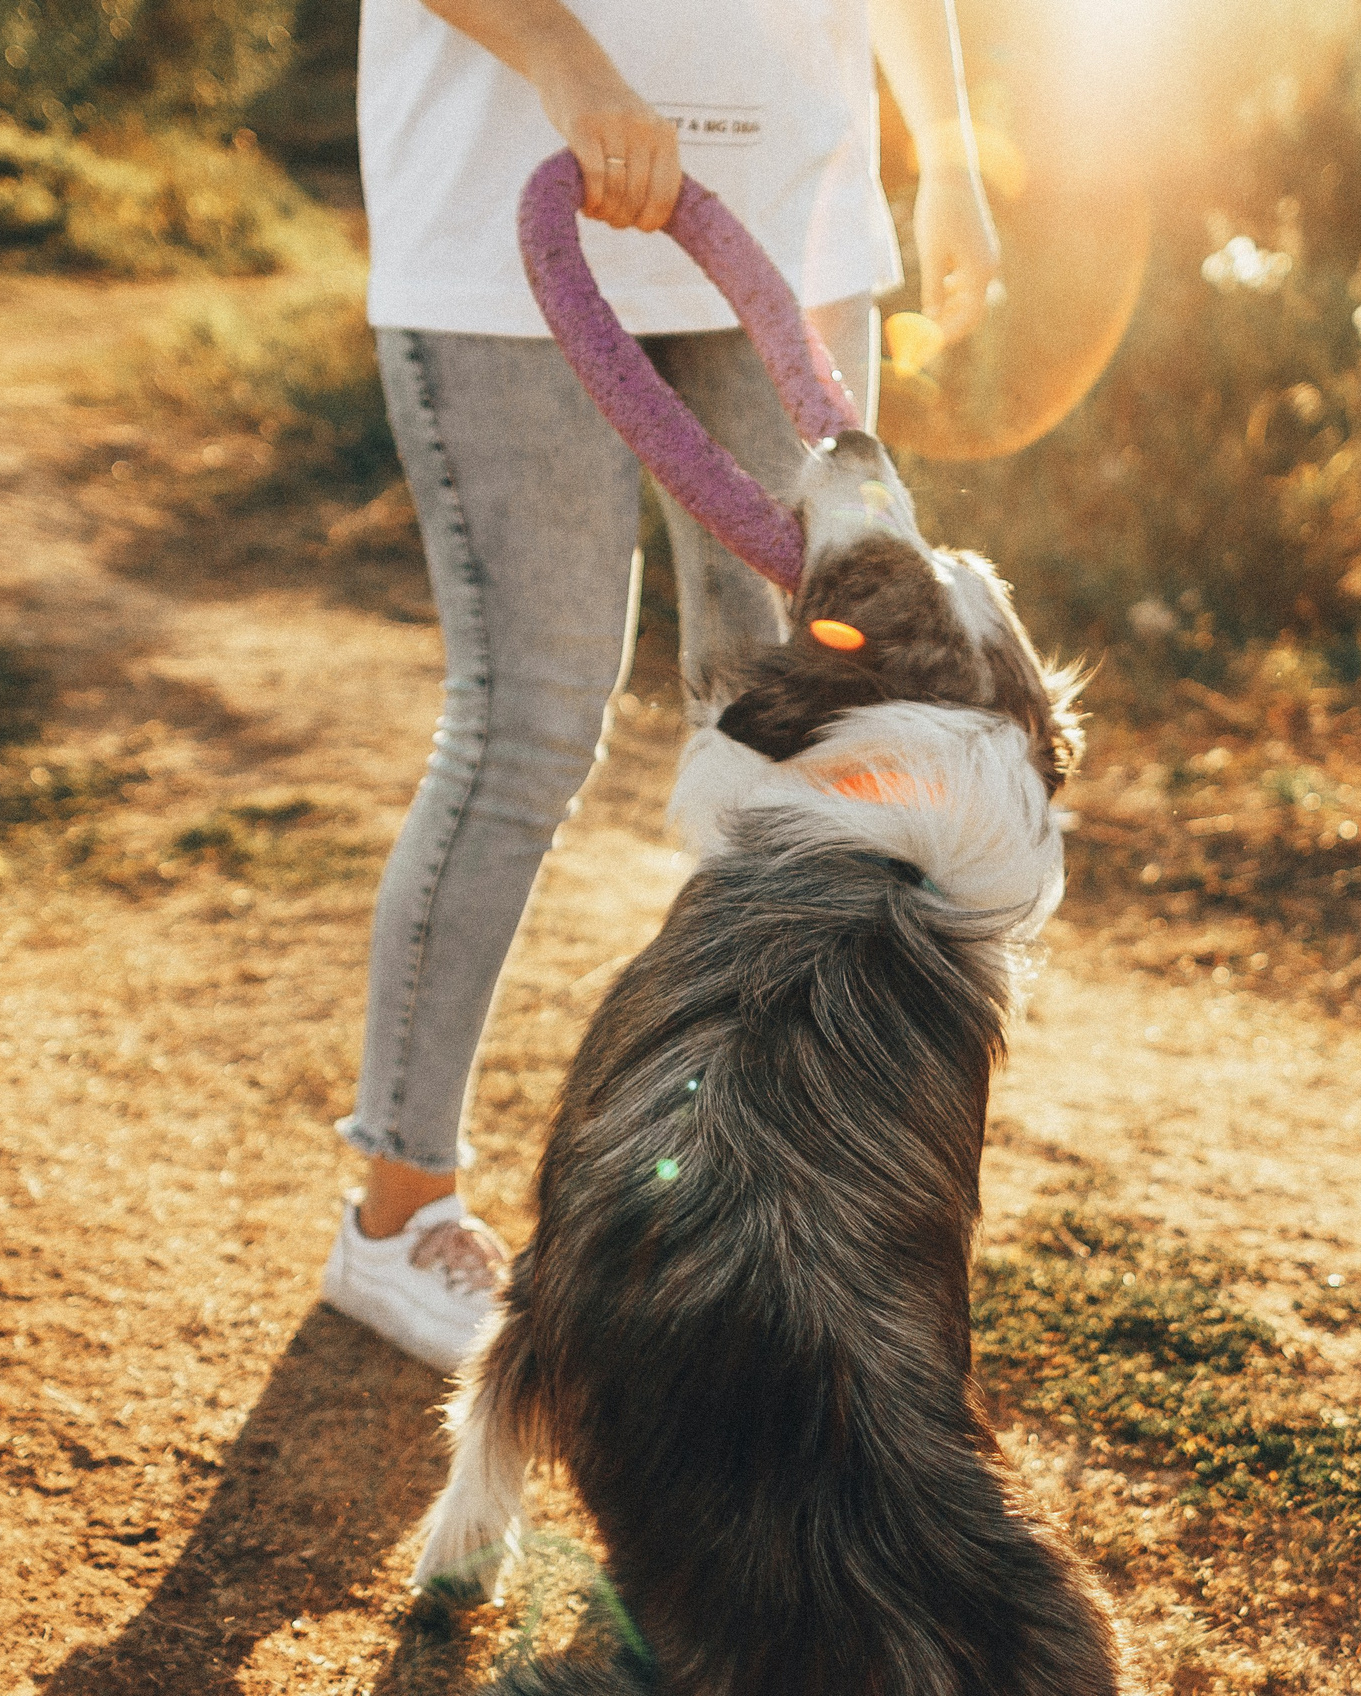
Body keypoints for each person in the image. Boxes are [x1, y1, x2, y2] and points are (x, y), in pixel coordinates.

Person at [320, 0, 1000, 1370]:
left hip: (789, 224)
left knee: (791, 742)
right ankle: (397, 1215)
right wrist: (569, 61)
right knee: (531, 720)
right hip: (503, 221)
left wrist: (953, 149)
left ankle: (746, 1206)